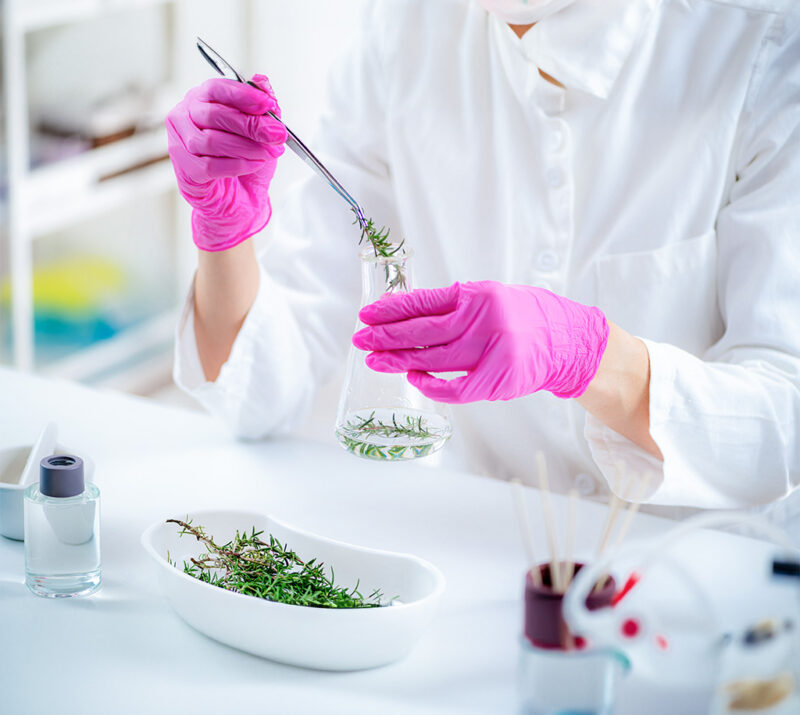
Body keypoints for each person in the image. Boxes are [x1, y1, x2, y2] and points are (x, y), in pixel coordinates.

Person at [166, 0, 800, 533]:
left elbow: (784, 416)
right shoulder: (403, 31)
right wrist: (224, 235)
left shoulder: (761, 44)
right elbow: (262, 391)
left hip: (701, 572)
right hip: (482, 548)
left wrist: (592, 356)